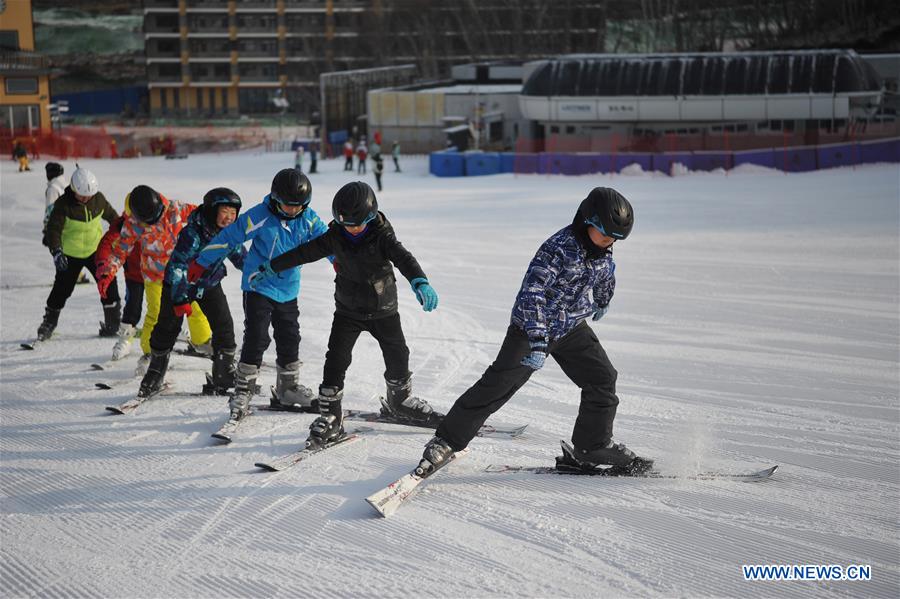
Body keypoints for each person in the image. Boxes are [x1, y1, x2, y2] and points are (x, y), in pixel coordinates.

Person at [417, 187, 651, 475]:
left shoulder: (601, 250)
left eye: (615, 239)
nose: (609, 242)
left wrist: (604, 300)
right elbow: (532, 293)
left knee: (603, 378)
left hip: (570, 327)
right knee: (497, 386)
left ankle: (592, 446)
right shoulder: (558, 248)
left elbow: (605, 274)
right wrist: (538, 339)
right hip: (530, 328)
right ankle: (446, 441)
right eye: (605, 235)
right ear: (586, 220)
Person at [248, 181, 439, 448]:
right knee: (336, 360)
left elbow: (404, 258)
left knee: (398, 354)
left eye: (357, 225)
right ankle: (330, 416)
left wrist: (420, 281)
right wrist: (272, 266)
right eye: (347, 224)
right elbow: (305, 252)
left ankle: (400, 401)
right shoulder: (335, 235)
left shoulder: (382, 235)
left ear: (371, 217)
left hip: (383, 309)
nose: (352, 229)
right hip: (347, 310)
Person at [190, 169, 328, 422]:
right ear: (276, 198)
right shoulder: (261, 216)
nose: (293, 211)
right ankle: (243, 389)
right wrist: (202, 261)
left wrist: (342, 264)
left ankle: (288, 388)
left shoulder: (307, 219)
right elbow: (230, 236)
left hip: (288, 289)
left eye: (299, 206)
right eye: (288, 205)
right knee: (257, 336)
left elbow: (328, 242)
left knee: (290, 336)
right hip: (258, 286)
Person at [137, 188, 245, 398]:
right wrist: (179, 299)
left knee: (224, 326)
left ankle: (224, 374)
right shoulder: (192, 233)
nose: (229, 218)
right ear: (212, 210)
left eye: (233, 213)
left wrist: (259, 273)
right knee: (166, 329)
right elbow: (177, 267)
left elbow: (241, 257)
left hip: (208, 284)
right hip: (179, 286)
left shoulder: (228, 234)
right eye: (225, 212)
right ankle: (155, 372)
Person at [96, 185, 213, 372]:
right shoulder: (133, 224)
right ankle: (151, 352)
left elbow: (201, 214)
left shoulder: (174, 208)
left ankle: (204, 342)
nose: (153, 221)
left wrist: (218, 215)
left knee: (195, 308)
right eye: (148, 220)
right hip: (154, 275)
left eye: (156, 216)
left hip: (181, 270)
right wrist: (107, 272)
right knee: (156, 314)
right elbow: (119, 252)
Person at [38, 166, 121, 341]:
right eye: (82, 195)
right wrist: (57, 252)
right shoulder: (63, 205)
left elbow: (114, 218)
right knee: (62, 289)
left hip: (95, 251)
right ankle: (49, 323)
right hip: (70, 254)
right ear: (73, 189)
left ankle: (113, 323)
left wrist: (123, 232)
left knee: (108, 284)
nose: (85, 198)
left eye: (88, 195)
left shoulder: (98, 200)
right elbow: (54, 230)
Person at [95, 197, 145, 361]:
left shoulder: (155, 220)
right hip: (134, 275)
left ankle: (167, 337)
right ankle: (126, 339)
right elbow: (106, 245)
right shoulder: (121, 225)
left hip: (157, 275)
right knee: (132, 308)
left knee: (165, 306)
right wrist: (104, 265)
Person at [42, 162, 66, 247]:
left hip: (58, 227)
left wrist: (47, 231)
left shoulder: (53, 189)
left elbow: (50, 210)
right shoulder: (65, 185)